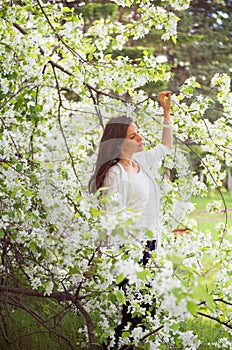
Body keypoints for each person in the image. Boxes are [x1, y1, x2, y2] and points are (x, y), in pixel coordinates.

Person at [89, 91, 173, 348]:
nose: (140, 137)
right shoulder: (116, 173)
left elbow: (165, 147)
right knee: (135, 309)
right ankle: (113, 345)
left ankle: (123, 345)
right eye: (132, 136)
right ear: (118, 143)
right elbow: (110, 216)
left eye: (138, 132)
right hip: (128, 248)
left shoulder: (141, 161)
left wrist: (166, 114)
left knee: (147, 308)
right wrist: (102, 253)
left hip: (149, 243)